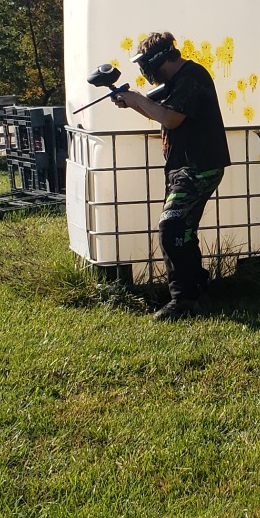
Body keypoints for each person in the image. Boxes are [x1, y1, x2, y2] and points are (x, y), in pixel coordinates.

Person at [109, 30, 230, 320]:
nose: (144, 72)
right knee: (183, 232)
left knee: (172, 228)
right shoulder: (180, 80)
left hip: (198, 166)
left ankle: (183, 301)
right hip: (186, 167)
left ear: (158, 61)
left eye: (145, 66)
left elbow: (170, 118)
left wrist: (136, 97)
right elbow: (161, 113)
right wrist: (133, 103)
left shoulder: (191, 78)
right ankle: (196, 289)